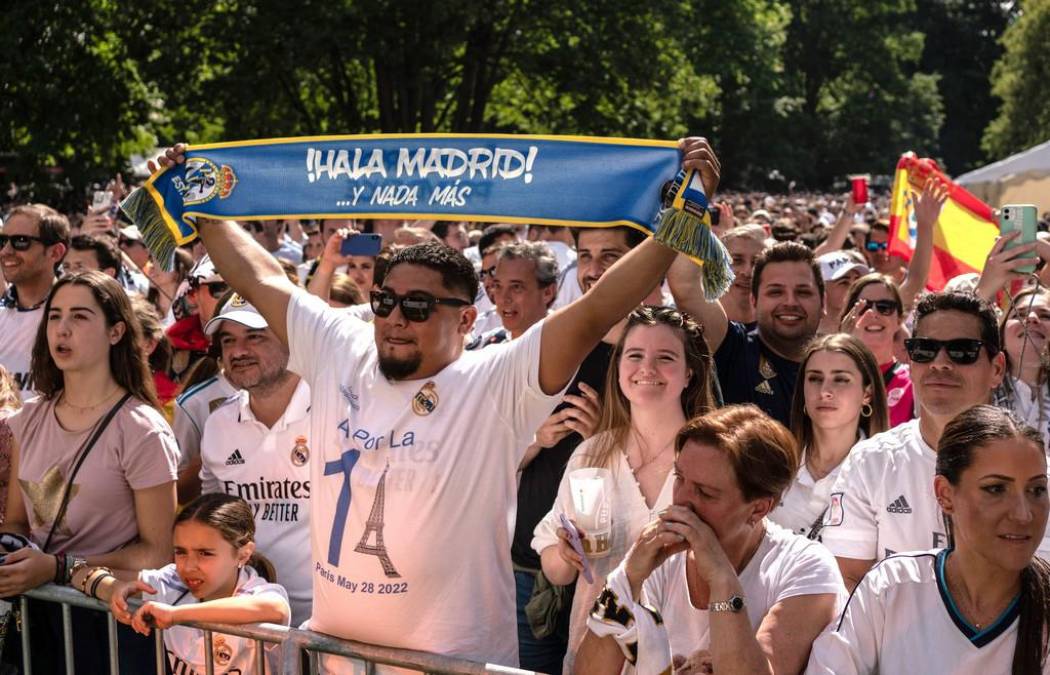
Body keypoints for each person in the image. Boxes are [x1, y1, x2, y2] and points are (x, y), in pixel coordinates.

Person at [153, 136, 721, 669]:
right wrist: (198, 204)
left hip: (454, 663)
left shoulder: (498, 379)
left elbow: (596, 309)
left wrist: (681, 221)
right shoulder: (339, 346)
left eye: (420, 306)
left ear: (468, 319)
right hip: (340, 659)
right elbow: (259, 280)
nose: (396, 318)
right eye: (385, 301)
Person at [577, 405, 845, 674]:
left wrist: (721, 579)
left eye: (705, 493)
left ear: (759, 508)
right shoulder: (658, 556)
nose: (683, 501)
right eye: (679, 478)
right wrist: (627, 578)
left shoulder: (805, 567)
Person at [0, 270, 179, 672]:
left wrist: (59, 567)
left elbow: (159, 550)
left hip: (112, 626)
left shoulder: (142, 429)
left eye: (80, 317)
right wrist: (10, 554)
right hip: (37, 623)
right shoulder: (28, 418)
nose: (62, 329)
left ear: (116, 332)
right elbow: (15, 522)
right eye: (54, 316)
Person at [532, 306, 715, 671]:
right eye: (634, 355)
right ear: (618, 368)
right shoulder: (592, 454)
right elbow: (557, 568)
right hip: (596, 658)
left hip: (683, 659)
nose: (646, 368)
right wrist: (566, 556)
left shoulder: (715, 459)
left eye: (665, 357)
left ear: (690, 372)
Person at [806, 405, 1050, 674]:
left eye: (1037, 490)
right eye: (995, 489)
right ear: (944, 494)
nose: (1023, 513)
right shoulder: (891, 586)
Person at [821, 291, 1025, 591]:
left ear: (996, 368)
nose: (939, 363)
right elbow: (847, 580)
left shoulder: (1032, 472)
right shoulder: (870, 461)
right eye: (924, 350)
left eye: (962, 351)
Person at [198, 294, 313, 627]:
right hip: (251, 624)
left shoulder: (339, 408)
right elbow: (212, 522)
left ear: (291, 337)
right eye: (228, 340)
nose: (238, 351)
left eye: (255, 337)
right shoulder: (218, 424)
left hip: (333, 625)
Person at [83, 493, 291, 675]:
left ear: (244, 554)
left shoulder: (256, 590)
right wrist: (114, 588)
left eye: (205, 553)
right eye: (180, 552)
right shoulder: (172, 581)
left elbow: (276, 609)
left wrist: (176, 615)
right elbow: (78, 573)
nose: (189, 566)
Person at [674, 240, 826, 427]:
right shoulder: (734, 346)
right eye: (775, 292)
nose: (790, 302)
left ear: (823, 303)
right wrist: (694, 211)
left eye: (803, 292)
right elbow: (685, 286)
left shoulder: (840, 365)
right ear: (753, 300)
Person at [770, 333, 888, 538]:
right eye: (815, 378)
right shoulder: (772, 461)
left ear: (867, 394)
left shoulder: (885, 473)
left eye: (841, 379)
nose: (824, 391)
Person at [0, 204, 70, 401]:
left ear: (55, 252)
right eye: (2, 241)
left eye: (21, 241)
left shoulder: (82, 318)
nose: (6, 251)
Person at [839, 274, 915, 427]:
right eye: (864, 306)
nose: (873, 313)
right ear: (849, 316)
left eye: (884, 307)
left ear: (899, 320)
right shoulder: (828, 376)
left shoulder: (913, 382)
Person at [469, 240, 558, 348]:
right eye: (498, 286)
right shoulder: (486, 346)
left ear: (548, 292)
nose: (503, 298)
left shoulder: (571, 345)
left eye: (516, 287)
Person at [992, 288, 1050, 448]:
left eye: (1045, 315)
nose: (1031, 318)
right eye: (1019, 314)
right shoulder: (980, 388)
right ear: (1001, 335)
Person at [720, 224, 771, 327]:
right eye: (737, 261)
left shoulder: (780, 328)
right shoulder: (697, 320)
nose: (747, 272)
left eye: (756, 262)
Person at [815, 251, 868, 335]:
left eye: (857, 280)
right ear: (820, 288)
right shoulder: (805, 336)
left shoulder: (868, 329)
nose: (854, 287)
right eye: (844, 282)